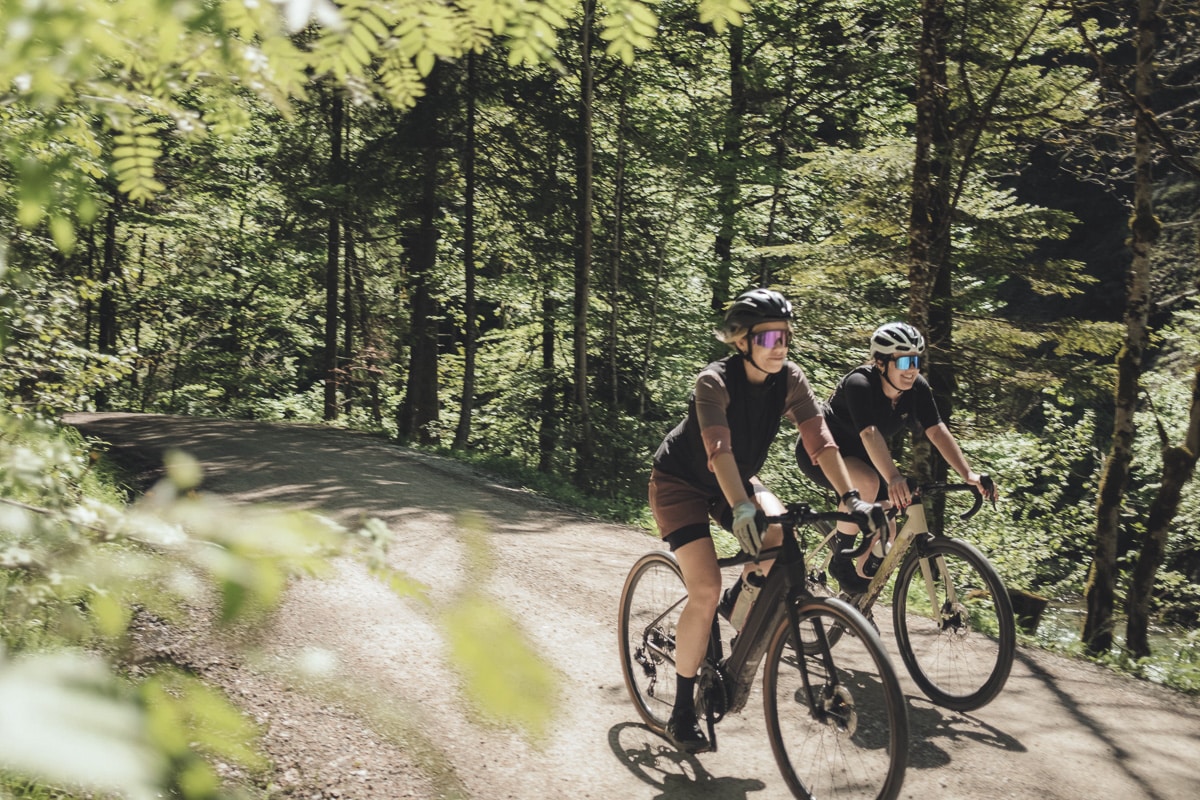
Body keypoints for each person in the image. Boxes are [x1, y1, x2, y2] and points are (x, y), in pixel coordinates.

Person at [648, 287, 885, 754]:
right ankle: (680, 712)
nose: (781, 345)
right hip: (681, 483)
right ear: (742, 341)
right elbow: (719, 452)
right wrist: (739, 508)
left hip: (734, 478)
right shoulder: (713, 382)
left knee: (776, 531)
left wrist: (851, 498)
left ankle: (739, 604)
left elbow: (821, 444)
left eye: (786, 336)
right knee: (705, 587)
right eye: (770, 336)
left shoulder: (791, 379)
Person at [795, 321, 999, 595]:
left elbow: (937, 431)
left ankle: (854, 601)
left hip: (863, 458)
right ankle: (841, 558)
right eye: (904, 362)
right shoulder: (860, 383)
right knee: (867, 482)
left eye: (915, 360)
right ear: (880, 363)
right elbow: (869, 434)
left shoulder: (916, 389)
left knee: (887, 525)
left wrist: (968, 474)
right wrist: (892, 477)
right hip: (820, 451)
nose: (912, 369)